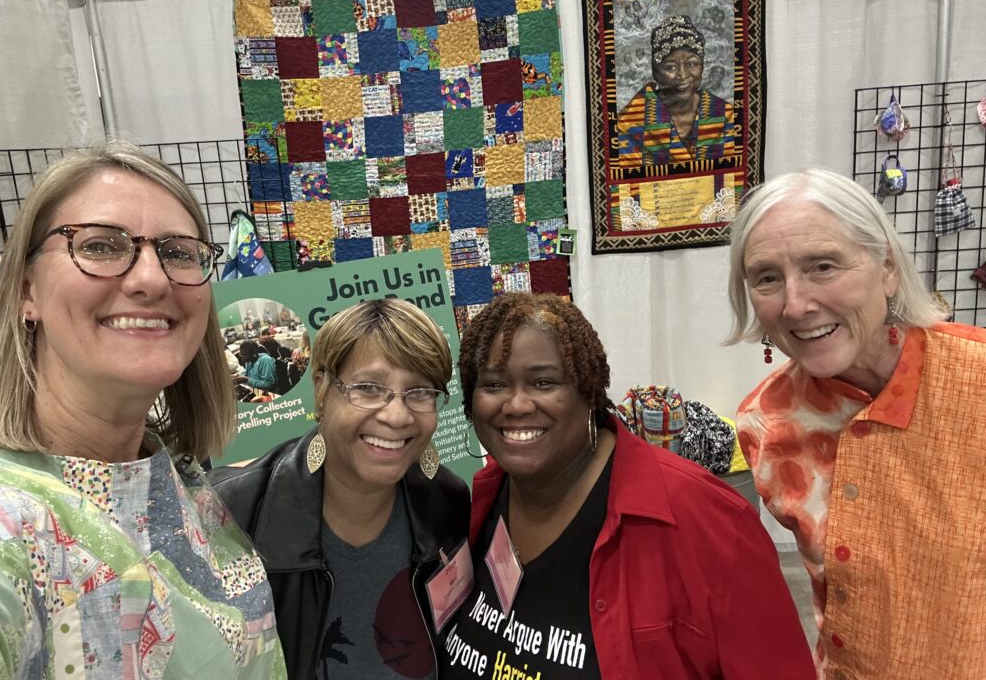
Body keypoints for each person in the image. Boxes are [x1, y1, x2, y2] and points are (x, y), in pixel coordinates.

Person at [0, 143, 284, 678]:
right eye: (101, 245)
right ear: (24, 291)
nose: (151, 279)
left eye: (179, 253)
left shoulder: (180, 481)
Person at [441, 292, 815, 679]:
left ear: (588, 392)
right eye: (494, 385)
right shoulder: (481, 499)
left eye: (543, 382)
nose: (516, 404)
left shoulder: (707, 520)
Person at [726, 168, 986, 679]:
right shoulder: (765, 423)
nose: (796, 304)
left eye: (822, 266)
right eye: (767, 278)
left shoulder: (976, 382)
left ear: (887, 266)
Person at [211, 298, 470, 680]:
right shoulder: (232, 514)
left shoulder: (447, 501)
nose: (397, 416)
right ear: (321, 388)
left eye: (420, 392)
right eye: (367, 387)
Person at [616, 13, 735, 170]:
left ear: (702, 66)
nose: (683, 75)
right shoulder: (630, 122)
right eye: (670, 67)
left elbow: (732, 180)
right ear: (656, 72)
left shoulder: (724, 115)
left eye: (692, 64)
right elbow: (626, 188)